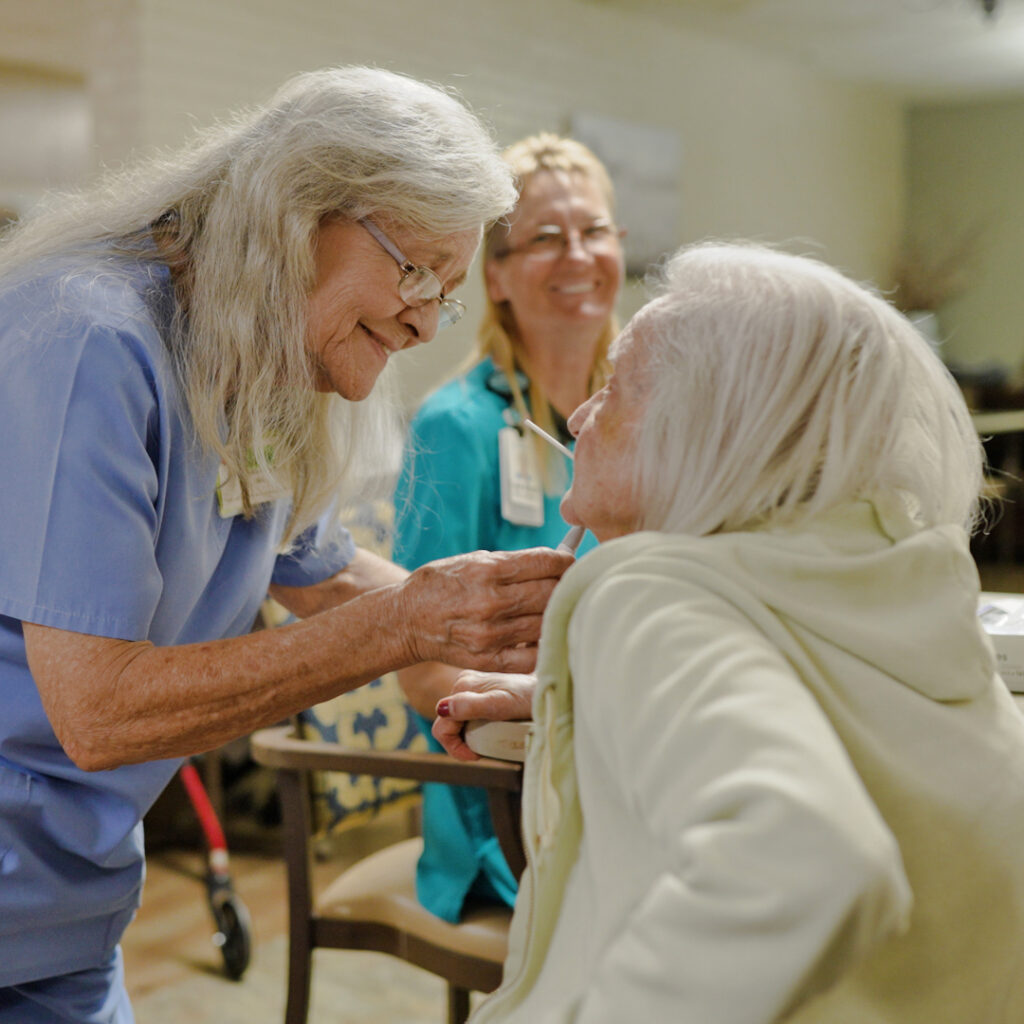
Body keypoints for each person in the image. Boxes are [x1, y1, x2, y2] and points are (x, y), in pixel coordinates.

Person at [0, 66, 574, 1023]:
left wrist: (554, 649)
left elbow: (330, 577)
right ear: (301, 213)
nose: (428, 319)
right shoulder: (89, 341)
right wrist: (411, 622)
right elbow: (95, 712)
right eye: (417, 272)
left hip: (64, 909)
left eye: (450, 292)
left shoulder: (249, 358)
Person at [436, 242, 1024, 1022]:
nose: (580, 416)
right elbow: (835, 713)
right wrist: (573, 703)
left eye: (614, 388)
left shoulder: (643, 591)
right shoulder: (891, 566)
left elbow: (800, 858)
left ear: (706, 428)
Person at [392, 133, 624, 922]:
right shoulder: (454, 428)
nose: (579, 255)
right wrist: (570, 702)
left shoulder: (647, 421)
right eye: (547, 237)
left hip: (621, 748)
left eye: (595, 231)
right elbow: (419, 670)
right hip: (505, 790)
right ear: (494, 275)